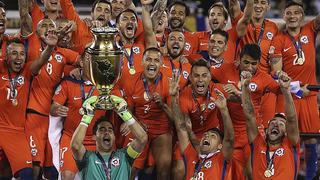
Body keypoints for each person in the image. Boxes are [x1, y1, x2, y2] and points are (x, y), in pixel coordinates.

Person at [211, 43, 283, 179]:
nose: (249, 67)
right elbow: (204, 76)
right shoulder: (225, 69)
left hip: (252, 132)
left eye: (254, 64)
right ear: (239, 58)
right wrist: (220, 88)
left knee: (252, 172)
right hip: (229, 132)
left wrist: (288, 81)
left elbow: (283, 90)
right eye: (246, 62)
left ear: (259, 62)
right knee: (231, 174)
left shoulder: (264, 78)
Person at [25, 18, 80, 179]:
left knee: (51, 168)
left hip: (55, 119)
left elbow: (84, 60)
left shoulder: (62, 53)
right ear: (36, 32)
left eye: (51, 26)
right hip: (35, 115)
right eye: (44, 25)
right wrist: (49, 46)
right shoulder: (31, 49)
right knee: (35, 165)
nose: (48, 28)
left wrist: (77, 71)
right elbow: (35, 67)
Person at [270, 1, 320, 179]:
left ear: (302, 16)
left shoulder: (310, 30)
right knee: (286, 139)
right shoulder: (278, 40)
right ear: (283, 16)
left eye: (296, 13)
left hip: (310, 97)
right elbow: (276, 73)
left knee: (312, 138)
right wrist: (298, 90)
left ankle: (311, 177)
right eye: (288, 13)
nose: (292, 16)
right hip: (288, 97)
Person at [50, 50, 112, 180]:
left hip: (96, 140)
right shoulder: (68, 82)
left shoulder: (106, 85)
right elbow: (53, 106)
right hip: (71, 138)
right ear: (82, 62)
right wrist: (56, 109)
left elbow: (122, 106)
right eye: (89, 60)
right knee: (67, 176)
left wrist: (129, 122)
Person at [170, 67, 234, 180]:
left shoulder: (221, 159)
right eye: (206, 135)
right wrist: (174, 98)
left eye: (213, 136)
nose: (207, 136)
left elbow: (229, 139)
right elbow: (180, 128)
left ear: (220, 146)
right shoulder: (191, 155)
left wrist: (224, 110)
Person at [122, 47, 172, 180]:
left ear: (161, 64)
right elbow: (128, 111)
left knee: (164, 170)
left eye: (156, 60)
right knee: (129, 167)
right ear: (142, 62)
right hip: (139, 127)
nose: (152, 63)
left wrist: (163, 104)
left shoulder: (168, 83)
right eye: (148, 59)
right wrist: (135, 123)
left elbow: (175, 118)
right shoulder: (132, 81)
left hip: (161, 129)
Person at [71, 94, 148, 179]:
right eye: (102, 129)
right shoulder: (87, 158)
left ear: (114, 137)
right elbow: (75, 145)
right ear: (94, 137)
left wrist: (125, 113)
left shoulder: (125, 156)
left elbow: (142, 139)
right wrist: (87, 116)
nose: (107, 132)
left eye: (110, 130)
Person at [241, 70, 300, 179]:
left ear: (287, 132)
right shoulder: (257, 143)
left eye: (281, 124)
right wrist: (244, 87)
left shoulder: (290, 144)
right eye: (273, 122)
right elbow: (249, 117)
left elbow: (291, 118)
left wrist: (286, 91)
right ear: (267, 130)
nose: (276, 124)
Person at [238, 0, 279, 127]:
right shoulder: (242, 22)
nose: (258, 6)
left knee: (266, 127)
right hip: (244, 83)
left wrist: (276, 74)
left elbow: (275, 56)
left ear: (268, 6)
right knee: (245, 125)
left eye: (262, 2)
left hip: (265, 85)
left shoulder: (273, 27)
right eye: (255, 2)